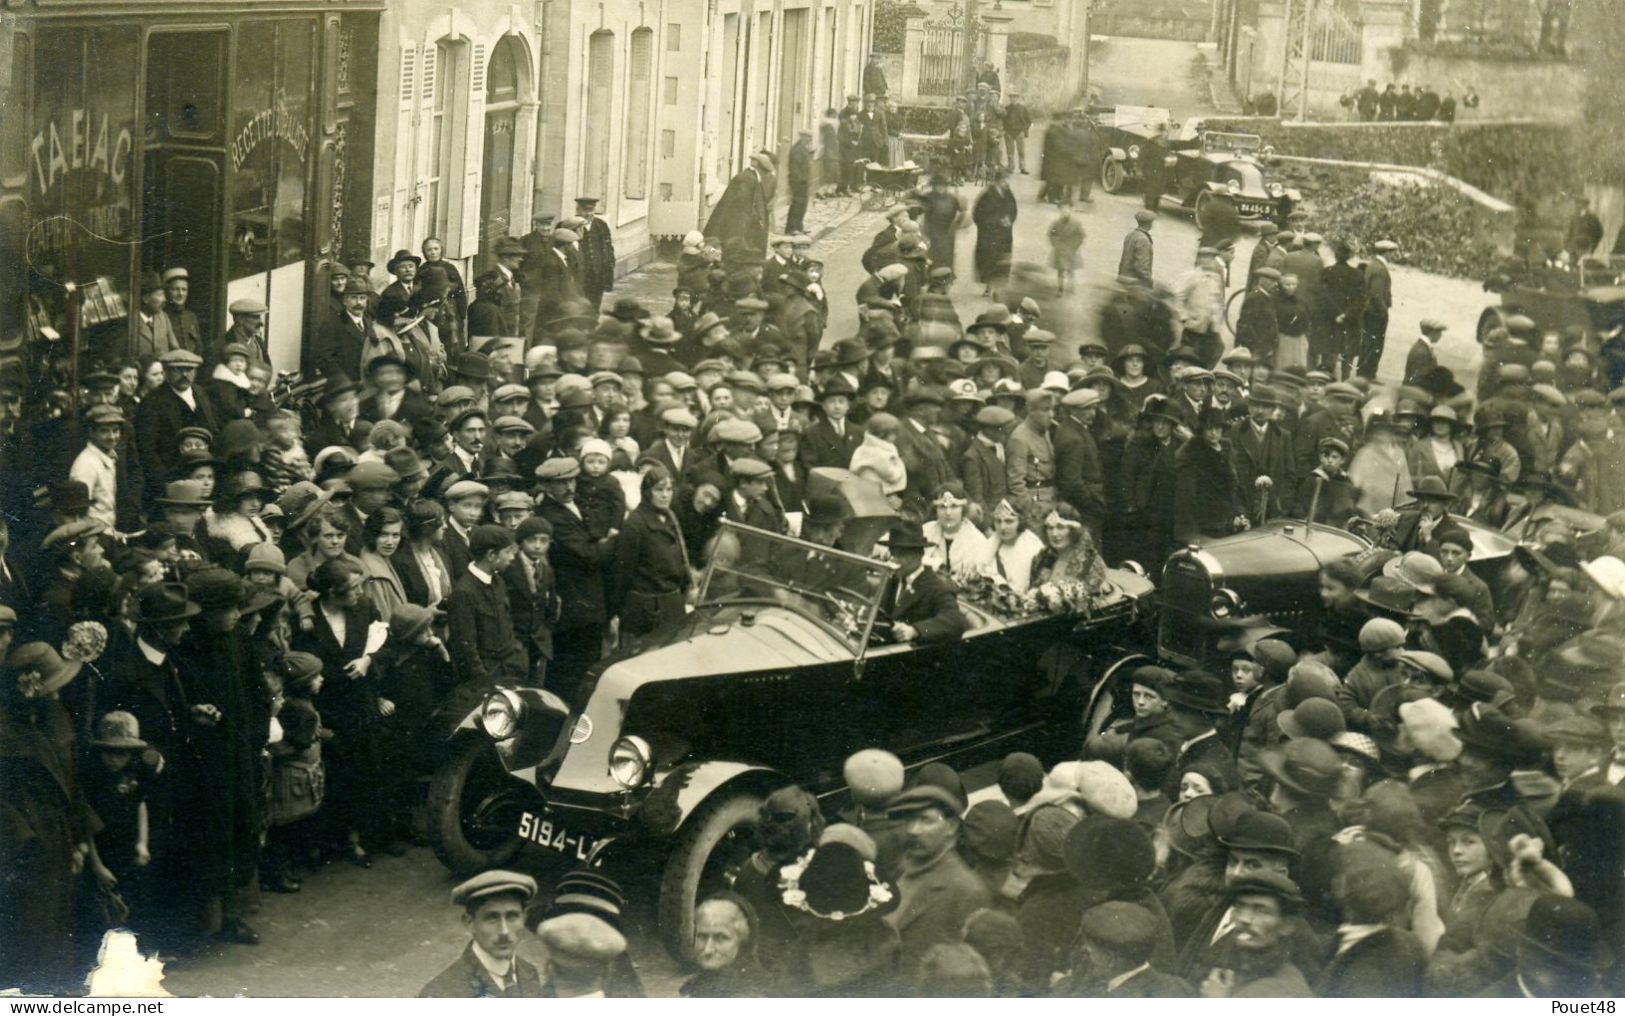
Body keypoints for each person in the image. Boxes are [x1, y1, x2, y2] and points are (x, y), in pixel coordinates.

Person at [419, 871, 544, 997]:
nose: (504, 931)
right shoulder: (440, 993)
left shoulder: (529, 972)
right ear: (469, 922)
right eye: (491, 918)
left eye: (512, 917)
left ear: (524, 918)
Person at [881, 521, 968, 644]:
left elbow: (955, 620)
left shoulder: (937, 587)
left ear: (919, 554)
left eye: (901, 554)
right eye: (892, 553)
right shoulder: (893, 580)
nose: (893, 560)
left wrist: (915, 630)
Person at [972, 168, 1018, 299]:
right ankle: (988, 287)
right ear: (998, 181)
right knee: (989, 261)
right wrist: (994, 222)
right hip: (989, 235)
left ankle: (998, 289)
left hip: (1004, 234)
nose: (1006, 183)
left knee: (1002, 262)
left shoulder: (1008, 194)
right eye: (1004, 180)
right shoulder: (987, 195)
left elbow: (1013, 209)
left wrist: (1009, 219)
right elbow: (977, 214)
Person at [1047, 203, 1086, 295]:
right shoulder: (1056, 223)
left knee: (1071, 269)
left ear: (1071, 210)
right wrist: (1056, 245)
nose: (1065, 212)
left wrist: (1075, 247)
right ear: (1060, 211)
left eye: (1067, 209)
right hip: (1060, 250)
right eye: (1063, 210)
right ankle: (1060, 288)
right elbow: (1051, 235)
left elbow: (1081, 236)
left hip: (1072, 250)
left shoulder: (1076, 223)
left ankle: (1071, 286)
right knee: (1060, 270)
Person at [1119, 210, 1155, 285]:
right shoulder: (1143, 239)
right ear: (1149, 224)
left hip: (1124, 276)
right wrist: (1149, 281)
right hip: (1134, 281)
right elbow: (1141, 266)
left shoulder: (1131, 234)